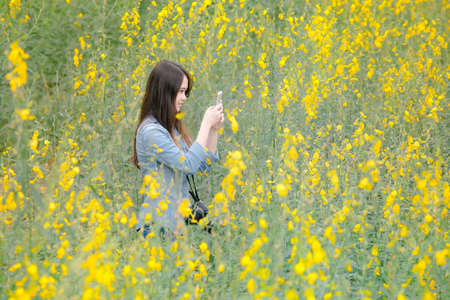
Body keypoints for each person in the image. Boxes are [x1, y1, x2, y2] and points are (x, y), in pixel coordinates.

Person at [131, 60, 224, 239]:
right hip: (156, 228)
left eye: (185, 92)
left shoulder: (170, 129)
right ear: (165, 92)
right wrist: (205, 123)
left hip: (174, 228)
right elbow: (188, 164)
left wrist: (213, 129)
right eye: (181, 91)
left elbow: (202, 167)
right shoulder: (152, 132)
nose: (184, 98)